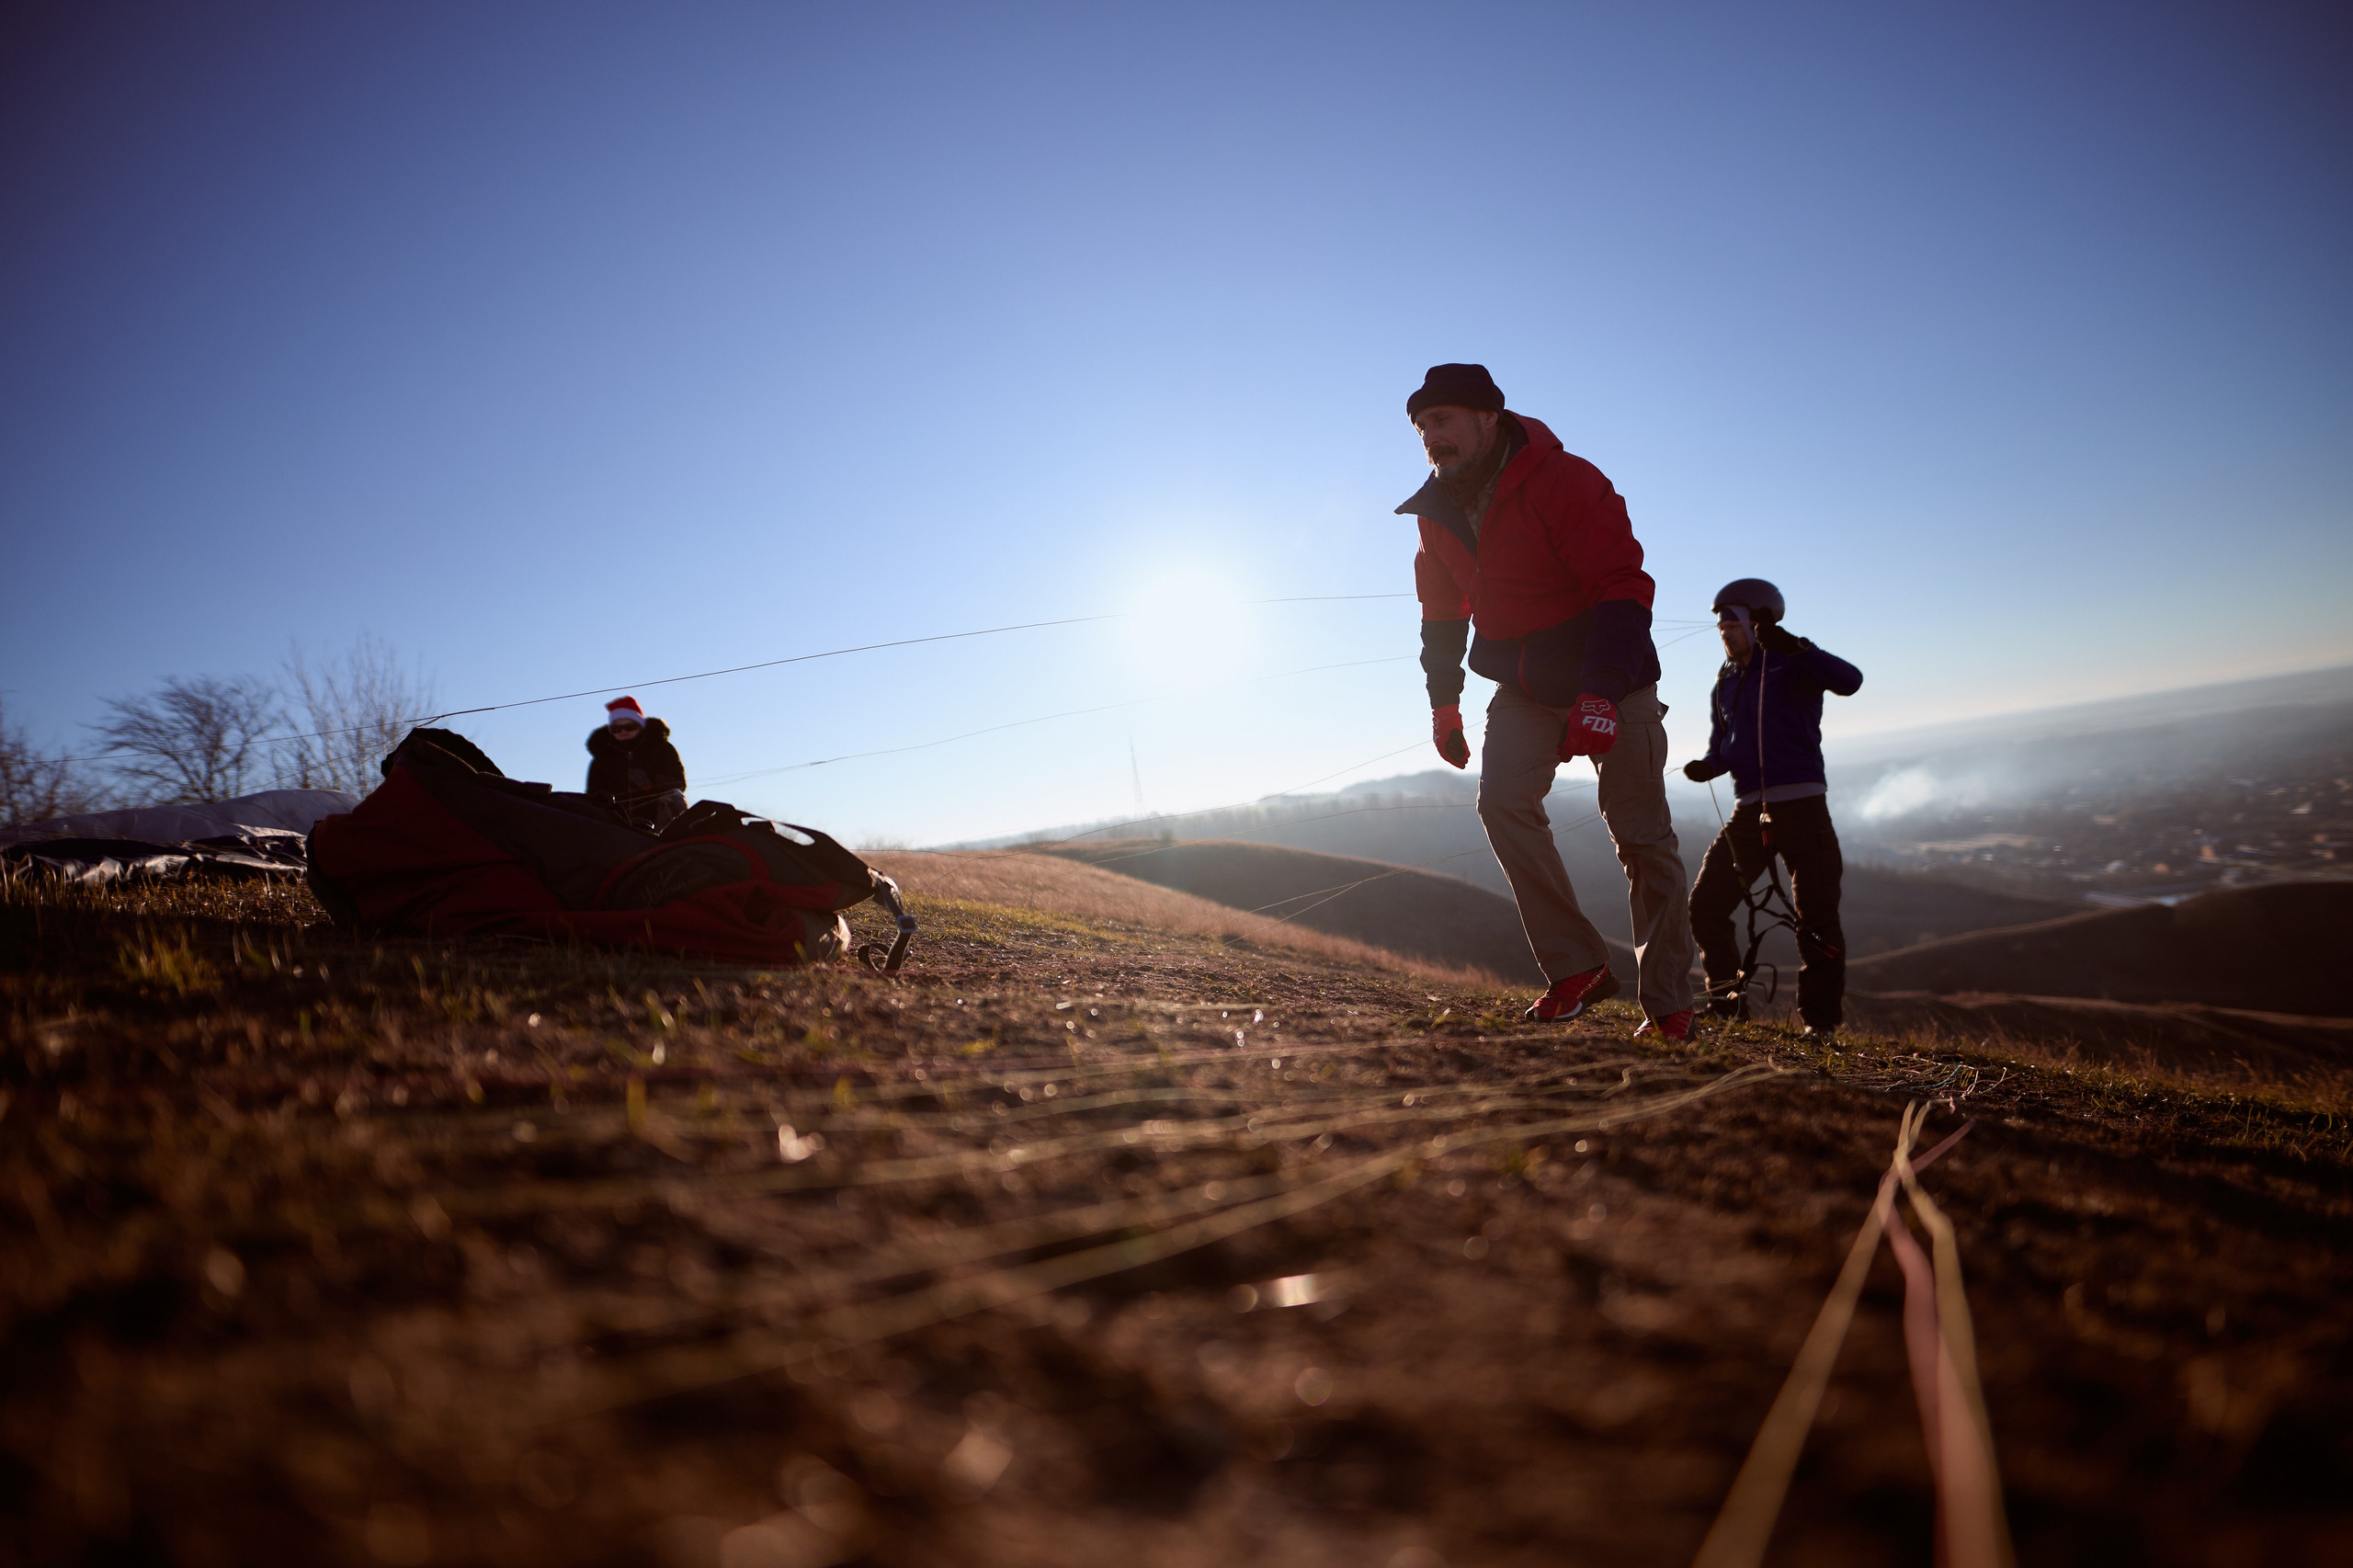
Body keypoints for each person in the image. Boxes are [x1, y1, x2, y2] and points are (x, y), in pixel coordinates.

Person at [1397, 363, 1697, 1038]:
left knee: (1642, 838)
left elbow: (1622, 586)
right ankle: (1577, 966)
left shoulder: (1566, 480)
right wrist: (1444, 704)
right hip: (1524, 689)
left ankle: (1669, 1004)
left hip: (1614, 682)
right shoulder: (1436, 514)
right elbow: (1441, 614)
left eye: (1441, 419)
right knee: (1503, 804)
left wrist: (1601, 693)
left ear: (1488, 416)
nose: (1430, 437)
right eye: (1420, 427)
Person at [1681, 579, 1864, 1036]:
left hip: (1804, 810)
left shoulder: (1793, 661)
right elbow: (1723, 747)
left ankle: (1820, 1024)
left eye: (1733, 621)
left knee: (1817, 919)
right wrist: (1708, 766)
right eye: (1720, 624)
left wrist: (1795, 647)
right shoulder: (1725, 682)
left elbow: (1850, 681)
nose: (1724, 630)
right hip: (1749, 814)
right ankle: (1727, 1006)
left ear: (1757, 621)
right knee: (1705, 906)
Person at [585, 696, 688, 831]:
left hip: (659, 822)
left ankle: (676, 836)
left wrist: (650, 783)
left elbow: (678, 782)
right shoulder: (602, 758)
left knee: (674, 796)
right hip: (616, 825)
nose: (623, 732)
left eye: (629, 727)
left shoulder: (661, 749)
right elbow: (592, 795)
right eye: (616, 728)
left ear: (640, 726)